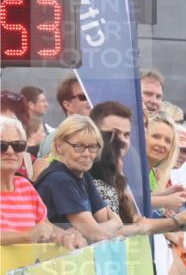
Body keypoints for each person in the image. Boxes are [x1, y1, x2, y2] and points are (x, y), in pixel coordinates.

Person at [90, 123, 186, 236]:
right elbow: (130, 216)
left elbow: (134, 210)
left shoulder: (151, 173)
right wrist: (170, 212)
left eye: (168, 141)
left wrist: (165, 196)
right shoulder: (110, 178)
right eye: (156, 136)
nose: (161, 144)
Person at [34, 116, 124, 243]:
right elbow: (95, 233)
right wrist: (116, 222)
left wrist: (109, 226)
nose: (87, 154)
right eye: (79, 146)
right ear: (59, 146)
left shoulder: (84, 176)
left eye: (92, 147)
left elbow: (103, 219)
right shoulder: (59, 180)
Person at [0, 116, 84, 248]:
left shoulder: (25, 186)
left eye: (18, 145)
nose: (10, 151)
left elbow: (46, 227)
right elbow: (33, 233)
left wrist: (66, 236)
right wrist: (27, 235)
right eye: (2, 146)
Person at [39, 77, 90, 158]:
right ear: (68, 105)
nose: (90, 100)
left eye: (91, 95)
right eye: (84, 97)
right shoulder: (55, 139)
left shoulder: (98, 133)